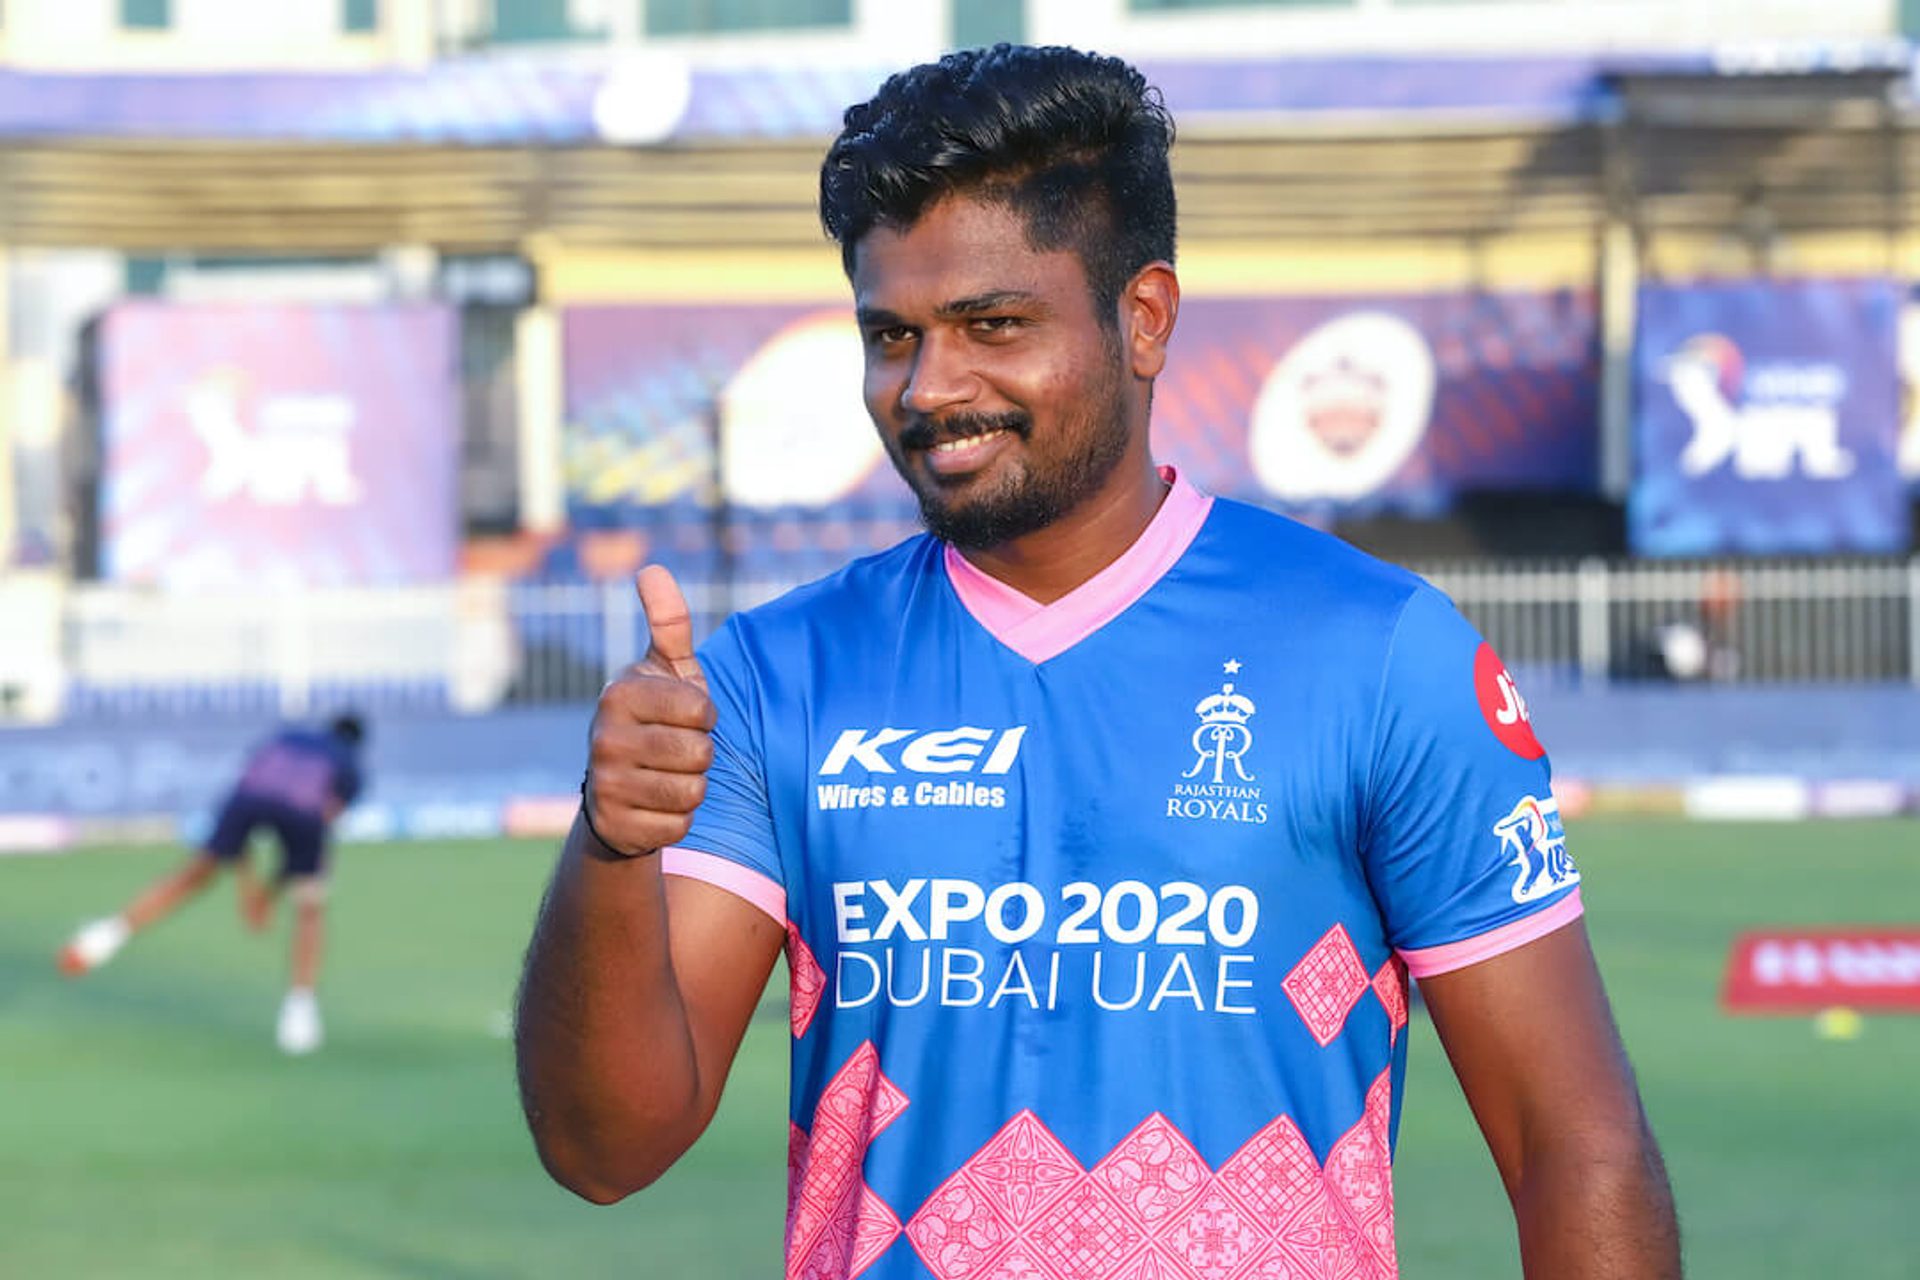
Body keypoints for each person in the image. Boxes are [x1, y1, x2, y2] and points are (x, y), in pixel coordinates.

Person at [515, 45, 1680, 1280]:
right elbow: (605, 1147)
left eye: (993, 325)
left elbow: (1573, 1144)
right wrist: (613, 842)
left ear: (1145, 319)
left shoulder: (1380, 653)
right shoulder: (771, 677)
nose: (930, 387)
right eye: (892, 335)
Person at [59, 712, 367, 1056]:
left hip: (248, 799)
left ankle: (103, 937)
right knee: (310, 905)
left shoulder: (288, 738)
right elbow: (317, 824)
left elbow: (250, 792)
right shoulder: (350, 765)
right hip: (302, 811)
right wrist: (267, 895)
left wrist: (249, 891)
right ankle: (300, 1011)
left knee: (196, 874)